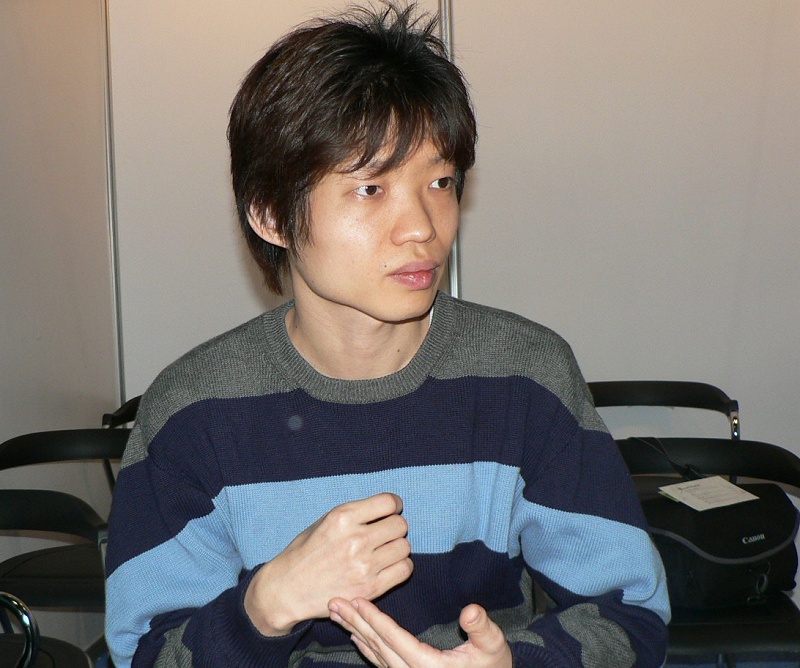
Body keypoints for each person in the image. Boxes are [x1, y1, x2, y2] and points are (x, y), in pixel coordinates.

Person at [104, 3, 670, 666]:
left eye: (440, 181)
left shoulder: (524, 376)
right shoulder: (193, 412)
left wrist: (515, 663)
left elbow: (630, 613)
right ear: (270, 214)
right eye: (371, 189)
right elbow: (144, 654)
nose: (422, 226)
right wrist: (263, 608)